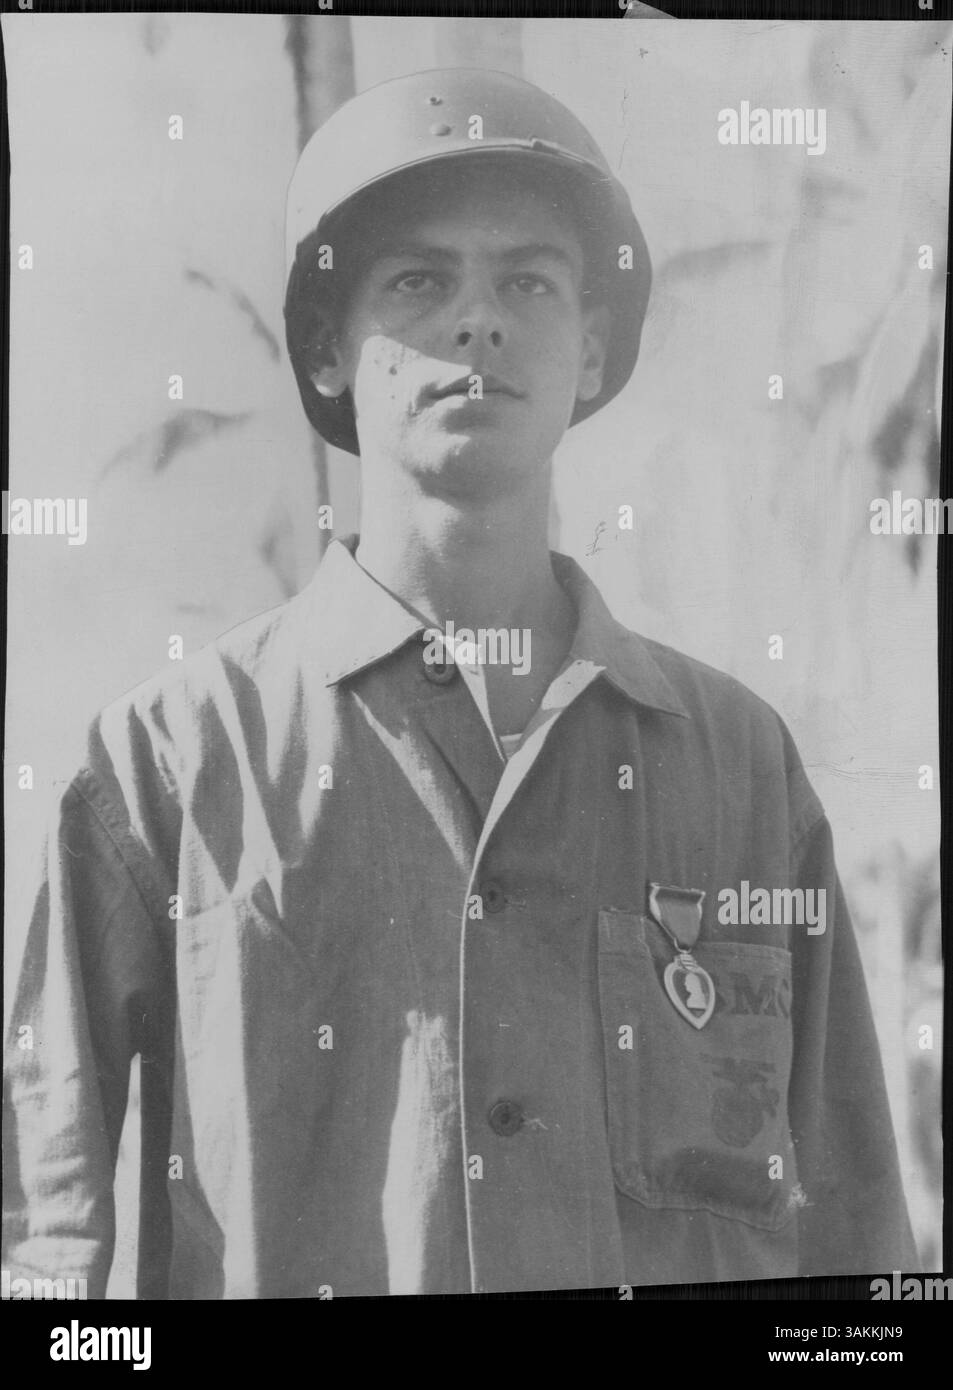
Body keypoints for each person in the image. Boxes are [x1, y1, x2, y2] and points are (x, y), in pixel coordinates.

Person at [3, 67, 917, 1299]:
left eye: (528, 282)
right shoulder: (172, 764)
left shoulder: (736, 761)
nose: (475, 323)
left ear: (592, 347)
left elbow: (855, 1245)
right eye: (419, 281)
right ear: (328, 347)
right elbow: (39, 1240)